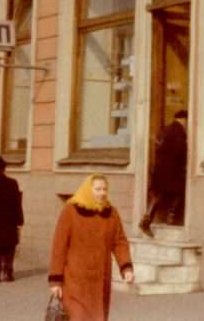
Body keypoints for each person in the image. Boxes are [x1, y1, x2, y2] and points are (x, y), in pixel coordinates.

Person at [48, 174, 134, 321]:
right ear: (88, 189)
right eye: (98, 189)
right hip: (75, 281)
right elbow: (59, 246)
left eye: (105, 189)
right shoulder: (71, 211)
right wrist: (56, 281)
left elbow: (119, 242)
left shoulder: (111, 213)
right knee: (78, 316)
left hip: (100, 280)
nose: (102, 193)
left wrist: (126, 268)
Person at [139, 108, 188, 237]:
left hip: (160, 169)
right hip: (173, 170)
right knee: (181, 191)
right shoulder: (180, 132)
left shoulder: (166, 129)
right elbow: (180, 152)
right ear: (184, 119)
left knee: (158, 195)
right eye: (186, 121)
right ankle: (171, 218)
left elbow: (158, 145)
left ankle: (147, 219)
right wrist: (185, 164)